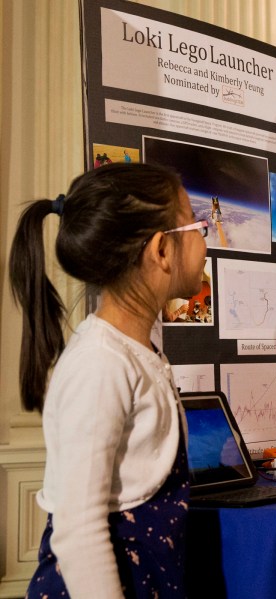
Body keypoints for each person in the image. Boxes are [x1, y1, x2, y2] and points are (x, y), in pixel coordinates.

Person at [8, 162, 209, 598]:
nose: (204, 239)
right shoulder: (100, 363)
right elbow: (78, 529)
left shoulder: (137, 353)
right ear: (161, 250)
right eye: (198, 225)